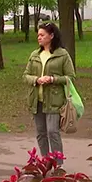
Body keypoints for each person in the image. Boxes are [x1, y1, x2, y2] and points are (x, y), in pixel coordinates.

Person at [22, 23, 75, 160]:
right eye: (38, 35)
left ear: (51, 36)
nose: (39, 37)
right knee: (41, 133)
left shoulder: (62, 55)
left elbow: (70, 77)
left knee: (53, 132)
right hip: (36, 100)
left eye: (42, 35)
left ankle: (58, 163)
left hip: (54, 100)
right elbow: (25, 75)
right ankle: (45, 161)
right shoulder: (35, 55)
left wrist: (52, 79)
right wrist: (36, 80)